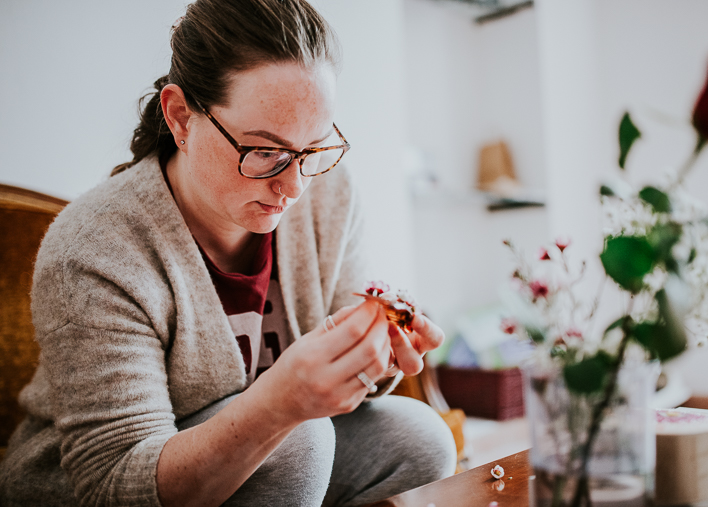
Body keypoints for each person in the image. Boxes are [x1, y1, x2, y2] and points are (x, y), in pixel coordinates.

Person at [0, 1, 457, 505]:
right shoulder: (95, 246)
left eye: (314, 149)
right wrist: (280, 405)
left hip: (270, 470)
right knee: (296, 441)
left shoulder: (329, 193)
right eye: (265, 151)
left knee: (418, 436)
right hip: (86, 488)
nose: (295, 186)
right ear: (181, 118)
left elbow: (344, 375)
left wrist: (374, 353)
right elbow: (113, 483)